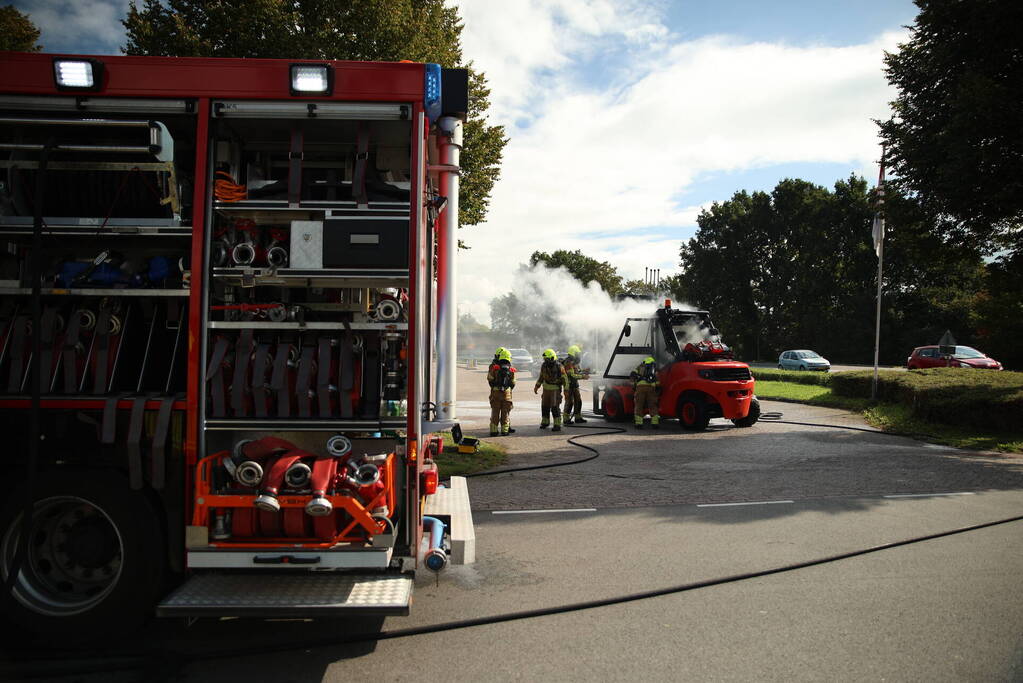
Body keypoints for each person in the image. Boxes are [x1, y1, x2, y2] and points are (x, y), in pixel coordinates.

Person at [533, 348, 567, 431]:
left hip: (555, 389)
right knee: (544, 406)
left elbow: (565, 379)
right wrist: (537, 386)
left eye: (547, 359)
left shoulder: (559, 366)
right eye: (545, 359)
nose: (545, 360)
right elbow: (541, 376)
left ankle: (557, 424)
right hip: (546, 389)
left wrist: (566, 390)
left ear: (552, 358)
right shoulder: (544, 365)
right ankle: (545, 422)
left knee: (555, 407)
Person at [487, 347, 516, 436]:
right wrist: (508, 388)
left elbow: (490, 379)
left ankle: (494, 431)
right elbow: (513, 383)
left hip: (496, 393)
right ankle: (505, 431)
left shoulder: (494, 367)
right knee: (505, 413)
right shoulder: (511, 369)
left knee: (495, 412)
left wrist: (494, 387)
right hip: (507, 394)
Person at [630, 356, 660, 429]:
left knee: (639, 405)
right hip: (651, 388)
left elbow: (632, 374)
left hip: (640, 387)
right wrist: (657, 387)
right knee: (653, 405)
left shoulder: (640, 366)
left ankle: (639, 424)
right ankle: (655, 423)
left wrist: (633, 385)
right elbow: (657, 380)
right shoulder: (654, 368)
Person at [562, 344, 590, 424]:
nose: (579, 355)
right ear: (573, 353)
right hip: (569, 386)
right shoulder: (568, 363)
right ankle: (566, 418)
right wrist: (583, 376)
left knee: (578, 401)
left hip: (575, 385)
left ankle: (578, 418)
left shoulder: (574, 362)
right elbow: (572, 375)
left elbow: (577, 372)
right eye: (578, 353)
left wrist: (585, 371)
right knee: (570, 402)